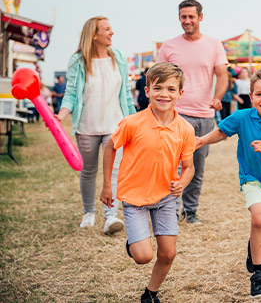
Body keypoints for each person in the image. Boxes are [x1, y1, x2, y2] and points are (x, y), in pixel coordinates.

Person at [196, 67, 261, 299]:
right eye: (260, 94)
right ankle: (259, 275)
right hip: (251, 177)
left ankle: (253, 250)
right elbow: (222, 132)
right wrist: (201, 141)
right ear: (251, 96)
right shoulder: (242, 117)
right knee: (259, 219)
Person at [100, 62, 196, 303]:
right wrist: (106, 185)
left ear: (180, 94)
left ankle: (150, 293)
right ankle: (134, 244)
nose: (164, 94)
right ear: (147, 91)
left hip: (165, 198)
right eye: (158, 88)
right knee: (143, 256)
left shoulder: (185, 129)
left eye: (171, 89)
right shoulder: (132, 123)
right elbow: (110, 146)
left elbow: (189, 167)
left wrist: (181, 183)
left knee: (168, 253)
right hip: (134, 198)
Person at [57, 16, 136, 234]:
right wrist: (60, 116)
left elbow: (126, 95)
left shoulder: (118, 57)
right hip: (87, 126)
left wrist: (135, 120)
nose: (112, 33)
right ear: (94, 35)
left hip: (115, 124)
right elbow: (71, 94)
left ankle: (111, 216)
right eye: (107, 29)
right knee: (89, 170)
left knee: (114, 172)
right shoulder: (77, 61)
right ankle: (89, 212)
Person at [156, 0, 228, 224]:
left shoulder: (214, 44)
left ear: (200, 17)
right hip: (176, 114)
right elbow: (157, 75)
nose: (187, 21)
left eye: (191, 17)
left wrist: (217, 98)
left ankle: (190, 211)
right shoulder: (169, 46)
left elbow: (222, 75)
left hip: (204, 115)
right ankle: (169, 211)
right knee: (172, 165)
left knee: (195, 167)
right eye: (183, 17)